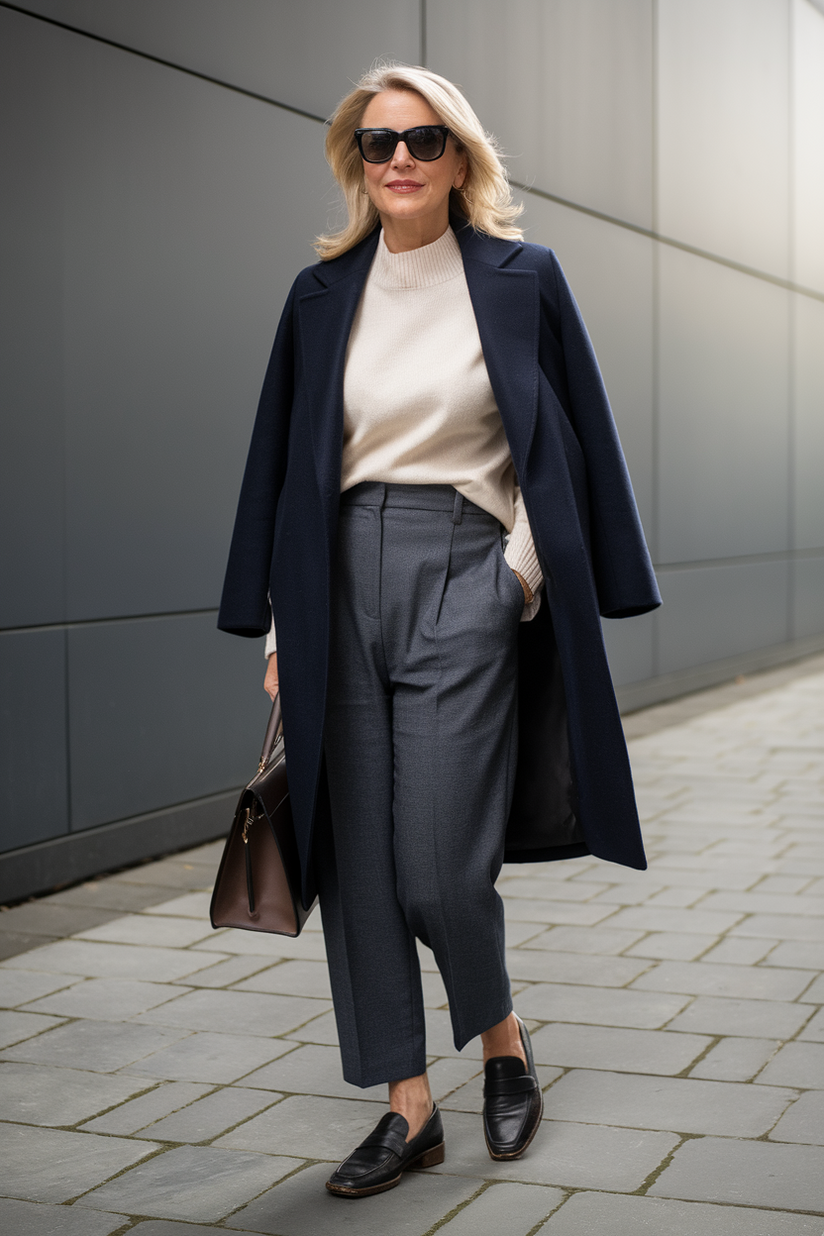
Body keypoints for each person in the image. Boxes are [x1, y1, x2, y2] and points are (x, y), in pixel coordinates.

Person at [218, 62, 660, 1198]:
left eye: (421, 139)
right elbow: (281, 471)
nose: (399, 159)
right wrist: (277, 628)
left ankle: (501, 1039)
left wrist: (514, 578)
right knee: (353, 862)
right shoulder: (319, 295)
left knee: (436, 871)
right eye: (376, 143)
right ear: (353, 162)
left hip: (463, 569)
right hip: (330, 585)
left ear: (459, 156)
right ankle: (405, 1106)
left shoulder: (521, 277)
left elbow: (568, 439)